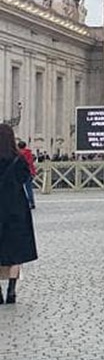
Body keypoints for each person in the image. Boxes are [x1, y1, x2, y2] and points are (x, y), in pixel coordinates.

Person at [0, 125, 37, 305]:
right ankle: (11, 290)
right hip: (15, 208)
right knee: (15, 252)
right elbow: (25, 178)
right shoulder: (19, 159)